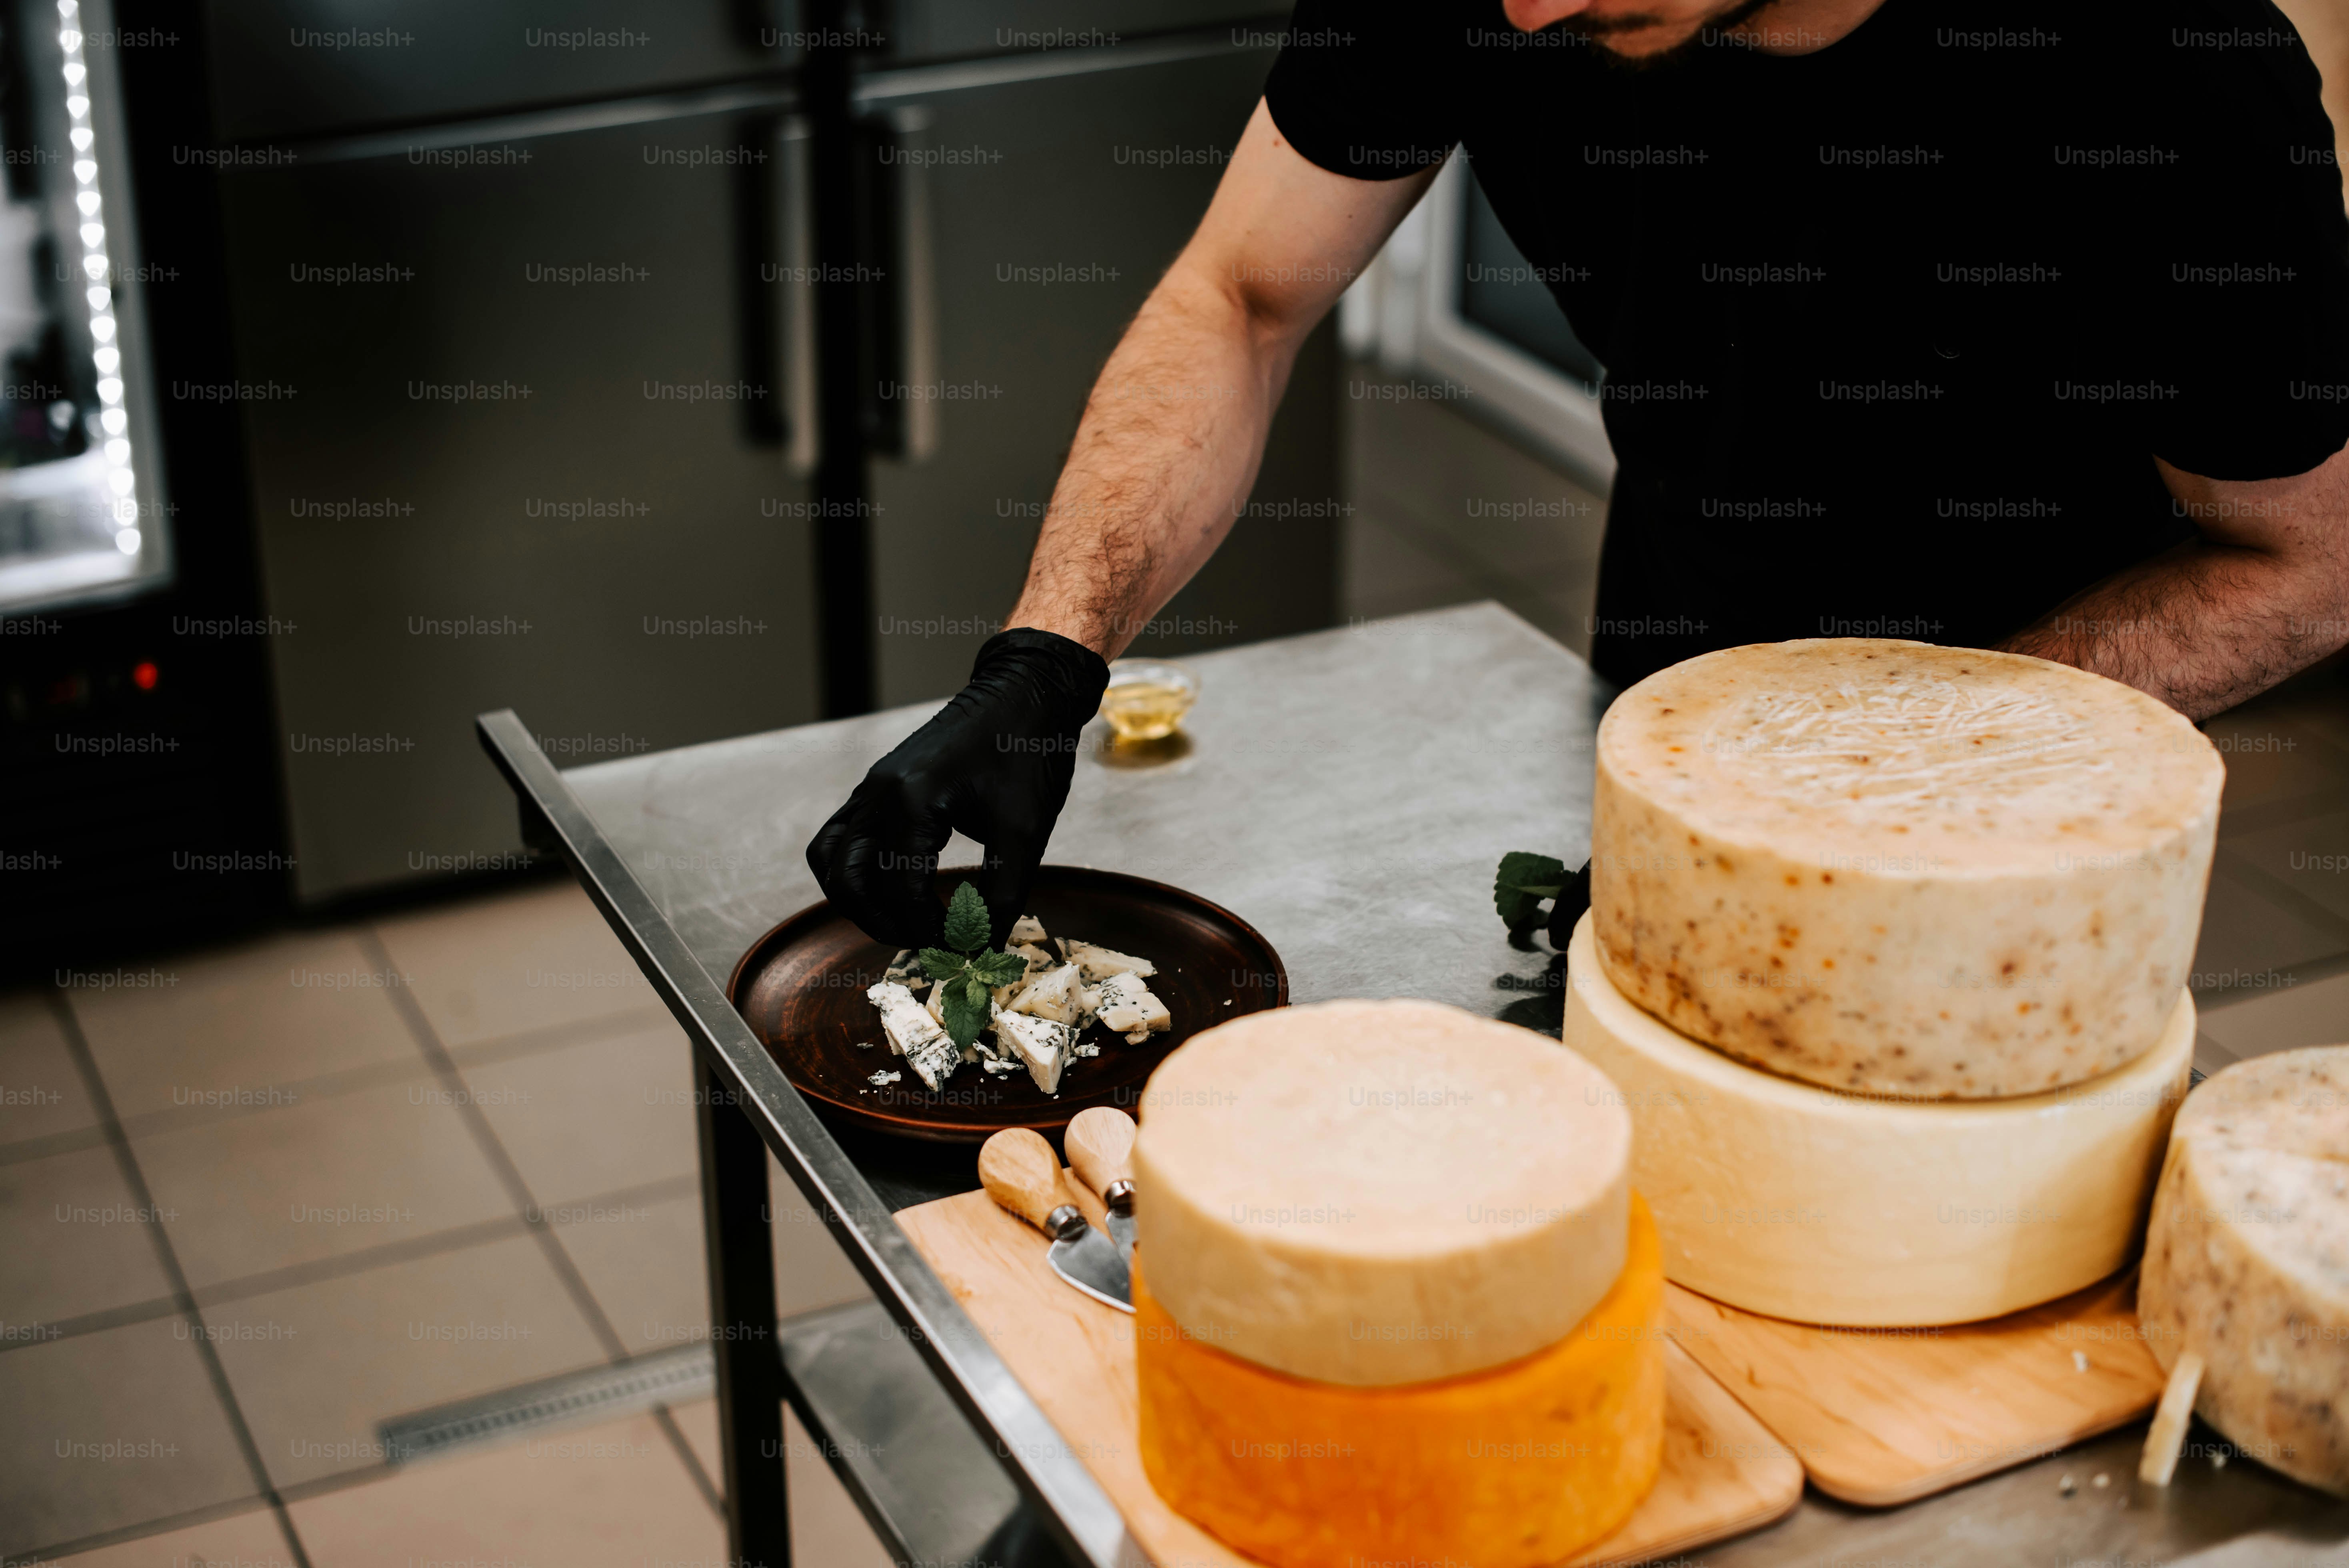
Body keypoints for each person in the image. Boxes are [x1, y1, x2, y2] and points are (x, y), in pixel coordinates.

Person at [810, 0, 2349, 946]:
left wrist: (1872, 781)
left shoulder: (2161, 69)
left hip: (2027, 784)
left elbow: (2310, 556)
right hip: (1671, 665)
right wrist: (1046, 658)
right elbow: (1245, 296)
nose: (1526, 12)